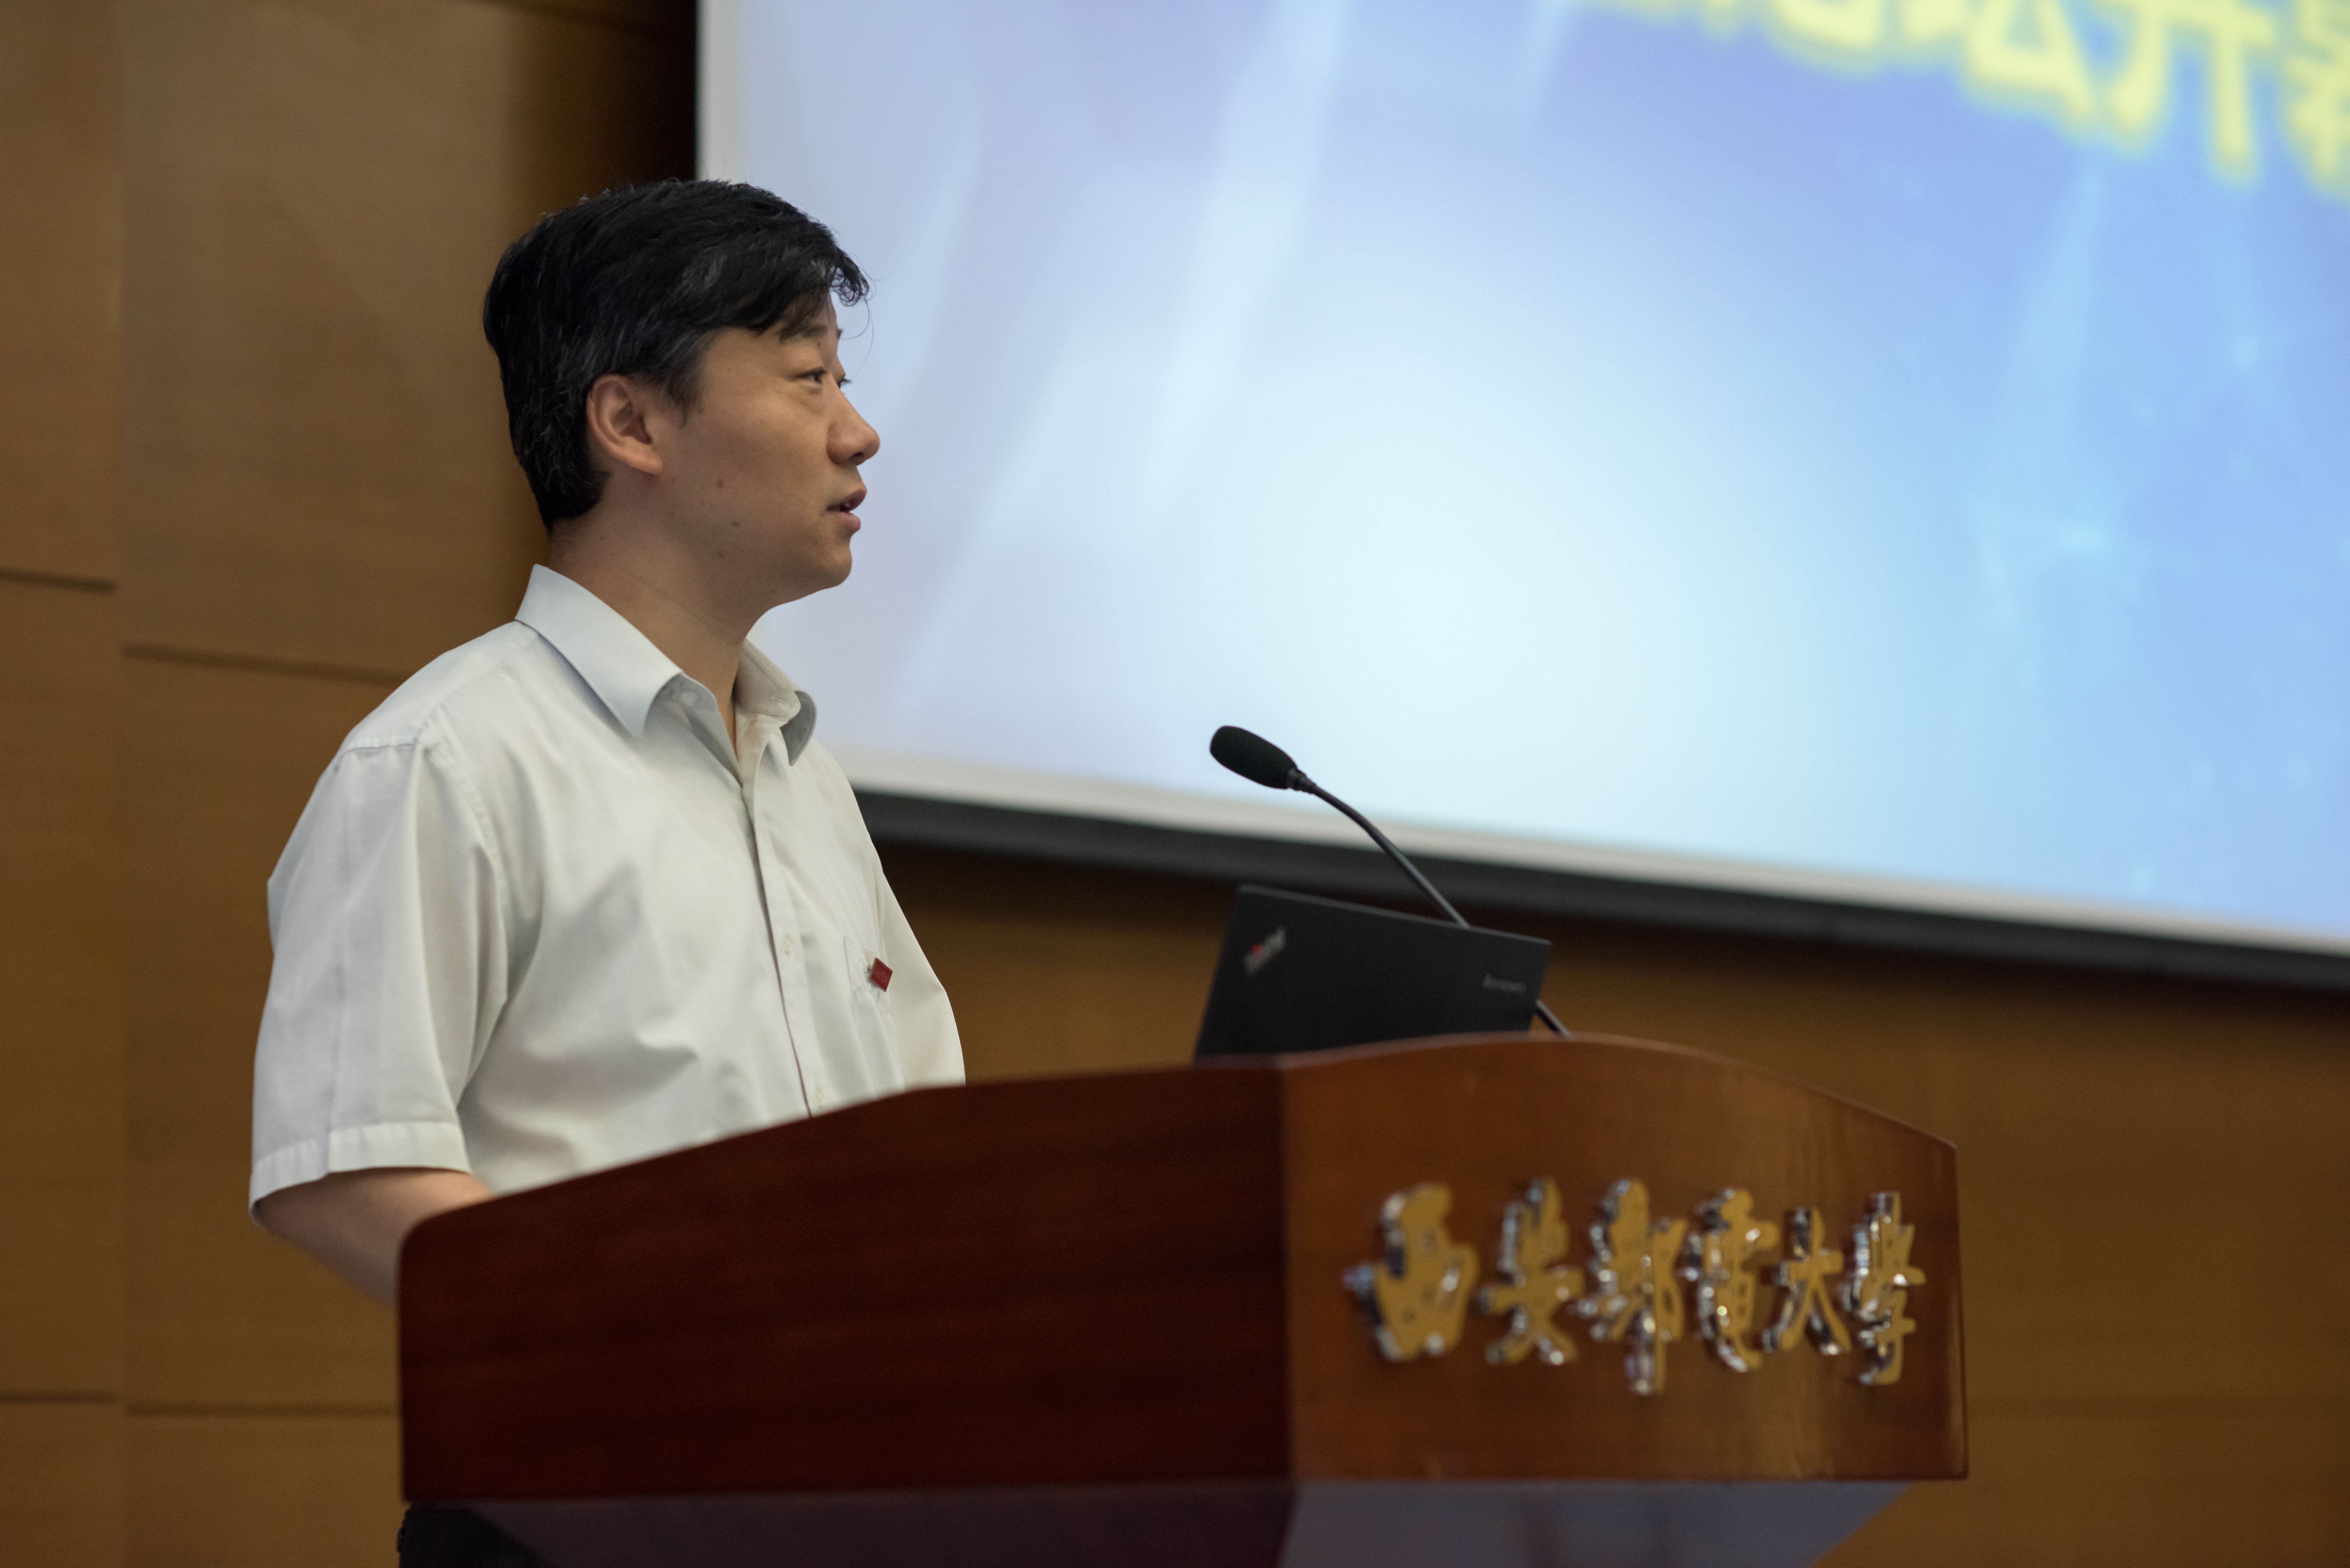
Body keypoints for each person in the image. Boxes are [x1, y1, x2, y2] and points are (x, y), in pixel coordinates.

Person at [247, 181, 963, 1564]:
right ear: (630, 423)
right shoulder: (450, 757)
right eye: (808, 376)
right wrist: (672, 1352)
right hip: (581, 1520)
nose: (858, 430)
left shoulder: (804, 775)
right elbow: (341, 1170)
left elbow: (919, 1153)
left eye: (846, 379)